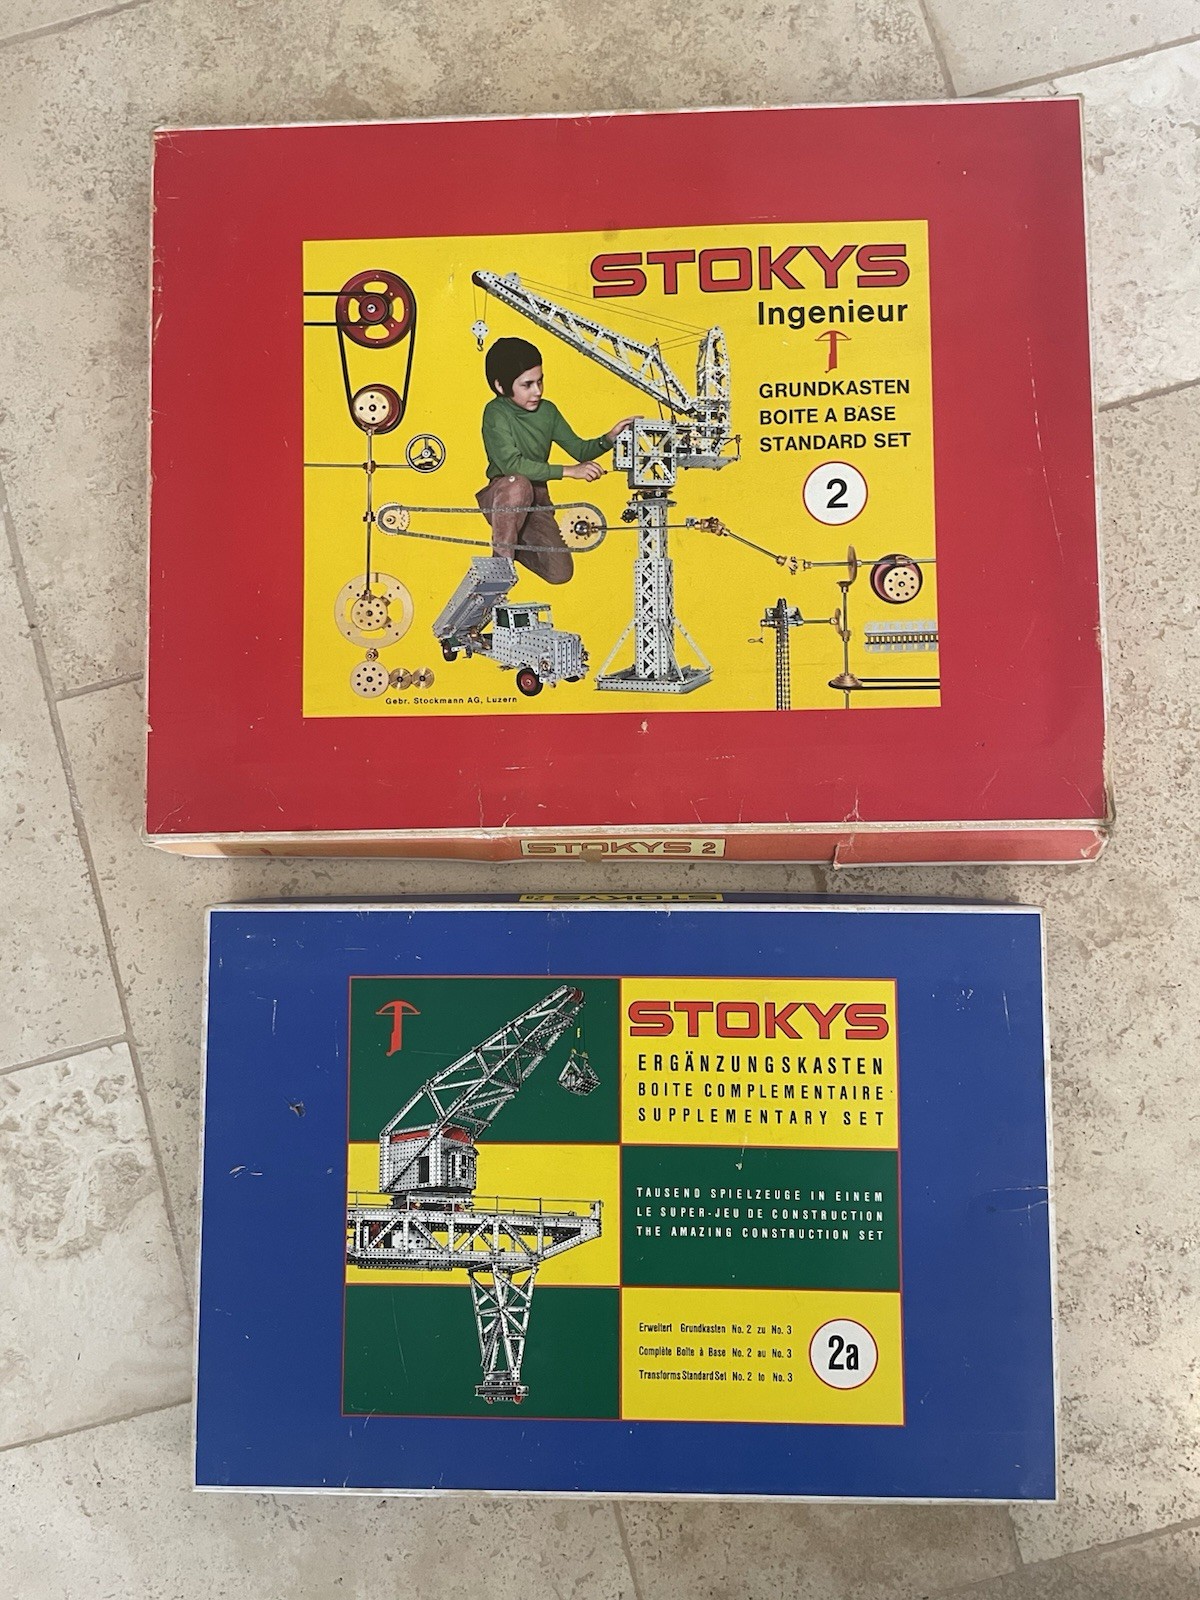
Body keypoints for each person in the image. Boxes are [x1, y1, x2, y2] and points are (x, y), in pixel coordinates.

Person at [477, 336, 637, 584]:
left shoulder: (547, 411)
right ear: (500, 386)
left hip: (537, 498)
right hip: (504, 494)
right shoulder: (495, 412)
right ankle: (499, 569)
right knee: (519, 484)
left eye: (540, 381)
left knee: (559, 573)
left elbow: (580, 450)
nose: (537, 391)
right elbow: (512, 466)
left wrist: (609, 438)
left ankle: (512, 543)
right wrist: (571, 471)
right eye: (527, 385)